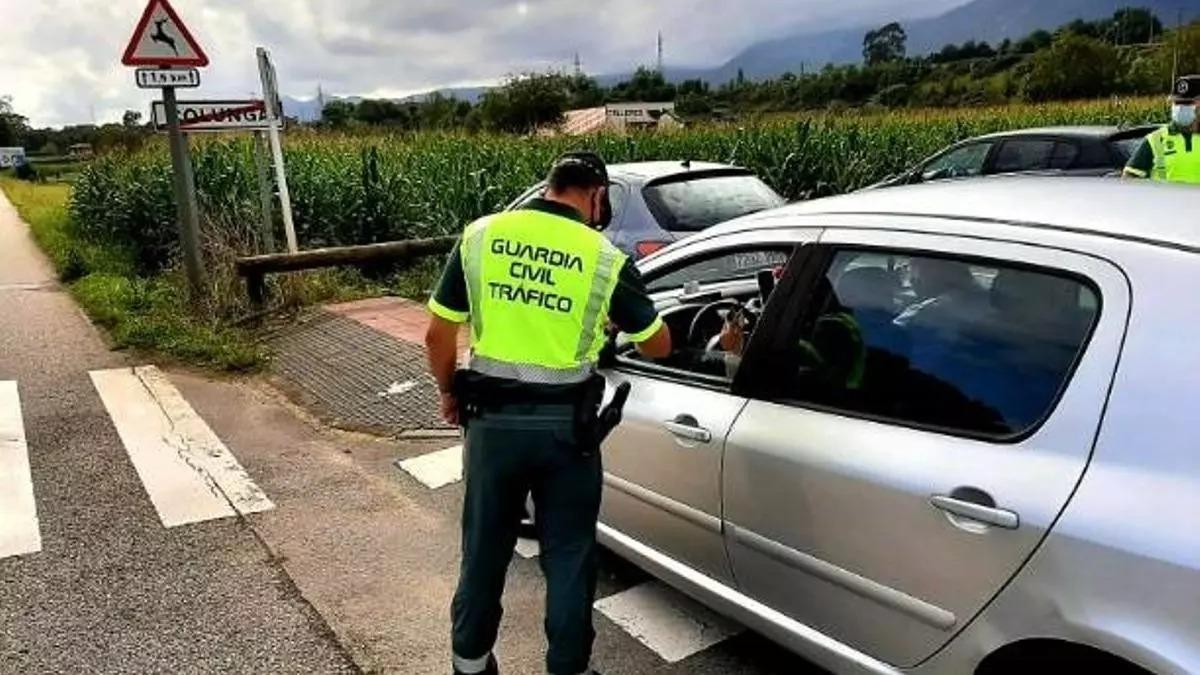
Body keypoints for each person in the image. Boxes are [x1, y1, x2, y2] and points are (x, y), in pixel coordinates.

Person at [424, 152, 671, 675]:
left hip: (491, 428)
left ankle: (469, 663)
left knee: (484, 550)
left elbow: (438, 333)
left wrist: (449, 391)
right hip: (567, 435)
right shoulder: (603, 257)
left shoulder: (482, 235)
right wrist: (611, 326)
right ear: (597, 194)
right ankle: (568, 667)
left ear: (549, 186)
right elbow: (659, 346)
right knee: (568, 556)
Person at [1124, 75, 1200, 184]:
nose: (1180, 107)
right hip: (1163, 201)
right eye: (1176, 103)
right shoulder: (1155, 140)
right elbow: (1128, 181)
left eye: (1188, 103)